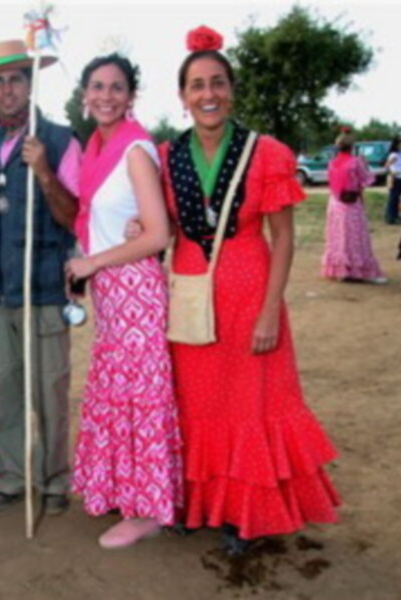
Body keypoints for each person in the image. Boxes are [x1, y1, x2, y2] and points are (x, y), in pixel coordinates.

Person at [160, 26, 340, 554]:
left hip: (249, 299)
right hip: (192, 299)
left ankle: (243, 516)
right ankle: (197, 506)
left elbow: (283, 240)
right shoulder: (167, 156)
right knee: (195, 408)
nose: (207, 94)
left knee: (249, 408)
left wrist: (269, 313)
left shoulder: (266, 153)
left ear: (232, 90)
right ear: (183, 96)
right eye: (196, 85)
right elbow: (163, 228)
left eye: (217, 83)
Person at [0, 39, 81, 515]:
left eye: (16, 79)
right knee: (3, 392)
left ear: (30, 84)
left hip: (44, 289)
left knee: (49, 389)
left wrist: (44, 171)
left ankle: (53, 481)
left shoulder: (60, 139)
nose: (7, 90)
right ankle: (13, 477)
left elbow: (74, 216)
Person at [67, 54, 183, 549]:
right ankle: (125, 491)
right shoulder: (96, 147)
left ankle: (148, 510)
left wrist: (93, 263)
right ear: (84, 93)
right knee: (118, 395)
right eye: (97, 86)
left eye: (117, 87)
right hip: (114, 294)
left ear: (131, 95)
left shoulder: (135, 148)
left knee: (140, 399)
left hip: (134, 287)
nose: (106, 96)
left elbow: (156, 234)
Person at [321, 128, 387, 284]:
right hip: (351, 203)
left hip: (335, 203)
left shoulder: (332, 163)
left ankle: (340, 269)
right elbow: (367, 180)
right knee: (355, 236)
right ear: (352, 146)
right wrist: (365, 164)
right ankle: (358, 271)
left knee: (338, 236)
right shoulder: (355, 162)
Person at [383, 134, 401, 225]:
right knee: (393, 198)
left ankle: (395, 215)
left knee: (397, 198)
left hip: (399, 178)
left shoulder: (399, 154)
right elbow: (386, 166)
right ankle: (390, 217)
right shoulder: (394, 155)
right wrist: (391, 173)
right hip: (395, 178)